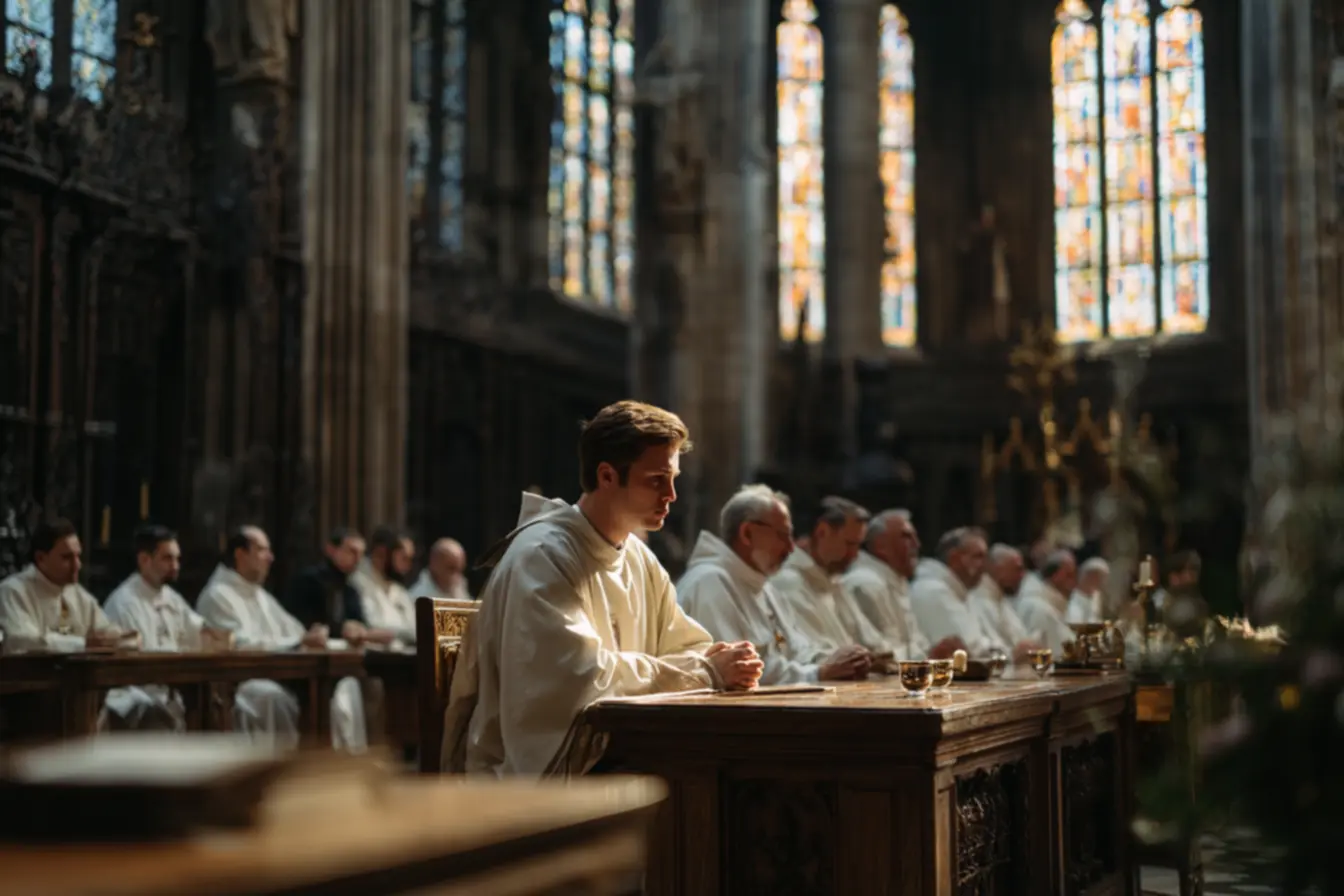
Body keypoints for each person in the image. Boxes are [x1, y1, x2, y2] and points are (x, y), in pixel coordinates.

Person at [443, 400, 762, 777]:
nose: (671, 495)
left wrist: (715, 662)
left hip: (616, 757)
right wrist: (704, 670)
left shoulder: (639, 560)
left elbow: (687, 647)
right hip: (527, 782)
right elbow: (579, 679)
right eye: (657, 479)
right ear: (608, 476)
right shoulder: (543, 555)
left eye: (673, 478)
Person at [197, 525, 366, 751]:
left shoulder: (260, 594)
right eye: (262, 550)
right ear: (240, 554)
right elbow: (237, 644)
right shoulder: (218, 595)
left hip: (280, 672)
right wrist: (298, 643)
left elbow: (295, 632)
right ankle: (283, 777)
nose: (270, 557)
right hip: (240, 682)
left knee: (346, 685)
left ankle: (343, 767)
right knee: (273, 698)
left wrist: (314, 636)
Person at [678, 485, 868, 683]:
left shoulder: (765, 587)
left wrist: (837, 660)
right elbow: (738, 672)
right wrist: (818, 673)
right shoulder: (709, 583)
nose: (791, 547)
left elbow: (797, 648)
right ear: (747, 533)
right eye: (783, 535)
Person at [0, 518, 163, 730]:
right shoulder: (13, 591)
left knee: (149, 711)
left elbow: (108, 632)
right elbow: (20, 641)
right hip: (33, 698)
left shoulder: (76, 593)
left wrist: (125, 639)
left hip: (81, 690)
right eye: (67, 557)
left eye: (78, 556)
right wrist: (82, 644)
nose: (77, 564)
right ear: (41, 558)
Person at [104, 525, 233, 730]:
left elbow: (199, 633)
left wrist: (217, 637)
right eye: (167, 558)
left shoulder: (171, 597)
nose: (176, 565)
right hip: (140, 692)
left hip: (174, 689)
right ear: (144, 560)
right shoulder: (124, 602)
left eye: (177, 559)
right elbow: (134, 660)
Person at [770, 497, 890, 668]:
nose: (855, 555)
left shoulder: (834, 581)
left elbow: (875, 644)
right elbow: (809, 653)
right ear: (822, 532)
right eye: (849, 544)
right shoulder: (788, 582)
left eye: (858, 545)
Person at [840, 509, 937, 661]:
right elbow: (877, 655)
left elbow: (916, 641)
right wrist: (929, 655)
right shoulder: (865, 583)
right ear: (881, 546)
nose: (917, 544)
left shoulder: (898, 581)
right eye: (906, 537)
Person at [285, 527, 392, 646]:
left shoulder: (351, 589)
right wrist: (342, 628)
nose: (357, 559)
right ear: (331, 549)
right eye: (352, 551)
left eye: (361, 554)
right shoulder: (308, 581)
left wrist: (362, 631)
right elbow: (301, 622)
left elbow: (360, 623)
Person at [909, 528, 997, 658]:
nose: (985, 566)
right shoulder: (932, 591)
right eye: (978, 557)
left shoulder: (962, 592)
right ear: (955, 558)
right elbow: (966, 650)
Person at [968, 544, 1040, 662]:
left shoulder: (1000, 599)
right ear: (999, 569)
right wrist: (1015, 652)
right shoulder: (979, 600)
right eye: (1017, 569)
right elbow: (986, 648)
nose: (1022, 575)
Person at [350, 526, 417, 644]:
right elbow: (372, 628)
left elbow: (413, 627)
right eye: (403, 558)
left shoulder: (398, 590)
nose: (408, 566)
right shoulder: (357, 584)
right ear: (381, 553)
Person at [1015, 549, 1078, 654]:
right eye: (1069, 575)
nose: (1074, 582)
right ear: (1055, 575)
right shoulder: (1036, 606)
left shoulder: (1054, 602)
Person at [1067, 557, 1109, 624]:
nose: (1100, 581)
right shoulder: (1073, 596)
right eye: (1097, 577)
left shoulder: (1096, 596)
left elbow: (1096, 618)